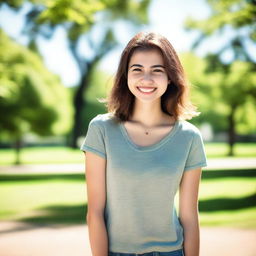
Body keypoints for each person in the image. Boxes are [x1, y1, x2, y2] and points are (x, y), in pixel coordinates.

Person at [80, 31, 207, 256]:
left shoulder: (189, 137)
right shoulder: (101, 130)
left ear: (170, 77)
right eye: (137, 69)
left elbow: (189, 217)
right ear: (125, 76)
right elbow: (95, 213)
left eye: (157, 70)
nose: (146, 79)